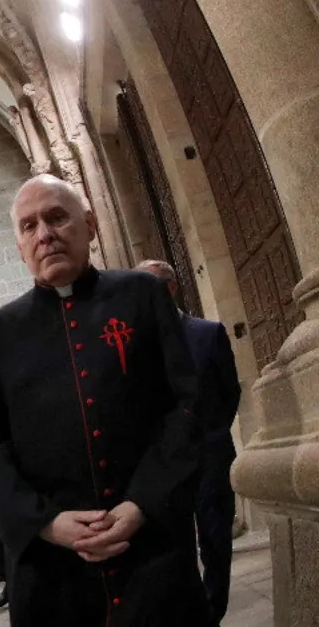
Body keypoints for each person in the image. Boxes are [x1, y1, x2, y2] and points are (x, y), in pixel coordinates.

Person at [0, 174, 208, 626]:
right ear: (19, 245)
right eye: (29, 226)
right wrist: (45, 522)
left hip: (151, 544)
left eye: (57, 217)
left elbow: (187, 406)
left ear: (90, 225)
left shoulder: (141, 295)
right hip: (51, 569)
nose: (45, 234)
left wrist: (141, 504)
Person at [137, 259, 241, 624]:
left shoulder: (207, 333)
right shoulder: (139, 347)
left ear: (170, 288)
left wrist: (210, 436)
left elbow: (230, 391)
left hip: (210, 457)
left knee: (215, 539)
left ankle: (213, 612)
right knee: (174, 545)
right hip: (166, 466)